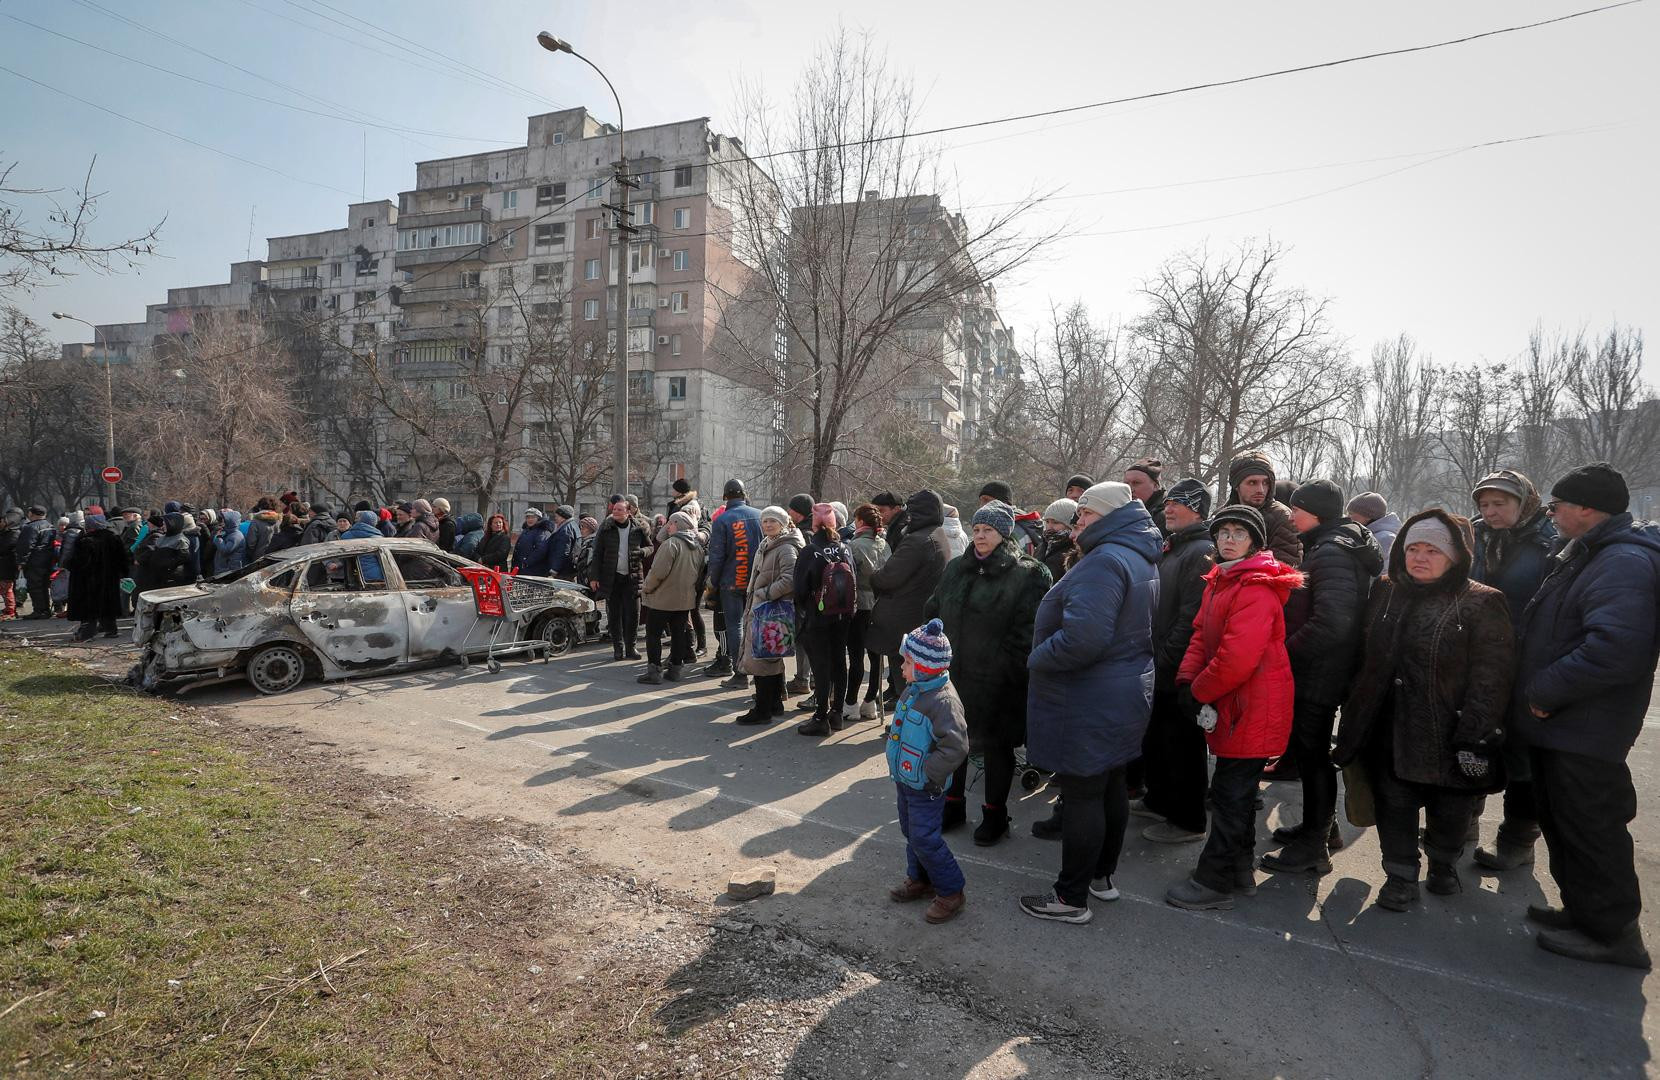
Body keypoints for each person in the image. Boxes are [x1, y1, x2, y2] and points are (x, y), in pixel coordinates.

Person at [1327, 509, 1515, 913]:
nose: (1420, 557)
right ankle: (1400, 877)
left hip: (1449, 733)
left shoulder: (1482, 601)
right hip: (1389, 727)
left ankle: (1443, 865)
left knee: (1451, 812)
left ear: (1454, 556)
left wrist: (1475, 735)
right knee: (1394, 803)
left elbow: (1492, 677)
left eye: (1432, 549)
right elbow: (1364, 655)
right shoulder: (1387, 590)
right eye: (1413, 548)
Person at [1512, 463, 1660, 968]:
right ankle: (1584, 914)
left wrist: (1544, 690)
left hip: (1584, 724)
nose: (1550, 513)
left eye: (1557, 505)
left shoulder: (1622, 563)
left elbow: (1616, 649)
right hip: (1564, 724)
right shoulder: (1590, 554)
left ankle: (1613, 934)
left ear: (1588, 509)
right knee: (1564, 820)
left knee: (1591, 826)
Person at [1020, 481, 1161, 924]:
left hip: (1089, 693)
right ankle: (1101, 878)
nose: (1078, 522)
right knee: (1109, 785)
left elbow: (1083, 640)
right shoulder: (1136, 552)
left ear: (1109, 516)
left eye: (1086, 514)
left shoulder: (1104, 561)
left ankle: (1070, 898)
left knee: (1083, 792)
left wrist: (1036, 658)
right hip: (1122, 690)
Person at [1165, 505, 1301, 910]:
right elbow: (1199, 637)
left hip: (1251, 706)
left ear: (1254, 542)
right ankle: (1240, 871)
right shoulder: (1221, 580)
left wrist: (1201, 690)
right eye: (1223, 531)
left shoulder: (1255, 588)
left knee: (1230, 796)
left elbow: (1236, 658)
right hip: (1232, 702)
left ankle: (1215, 880)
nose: (1228, 539)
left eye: (1238, 533)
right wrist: (1187, 681)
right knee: (1232, 792)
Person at [1260, 479, 1382, 874]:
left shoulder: (1331, 552)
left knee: (1313, 757)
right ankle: (1320, 829)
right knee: (1309, 753)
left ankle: (1314, 847)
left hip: (1321, 671)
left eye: (1297, 508)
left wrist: (1284, 652)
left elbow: (1332, 622)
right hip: (1322, 668)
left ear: (1318, 513)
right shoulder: (1332, 544)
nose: (1291, 514)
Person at [924, 501, 1051, 846]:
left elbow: (1029, 630)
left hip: (999, 682)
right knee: (954, 743)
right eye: (977, 529)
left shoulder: (1028, 573)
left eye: (989, 530)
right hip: (954, 676)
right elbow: (934, 608)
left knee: (996, 748)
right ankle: (953, 806)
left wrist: (1003, 668)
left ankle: (995, 816)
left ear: (1004, 533)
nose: (980, 536)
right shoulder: (956, 569)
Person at [1466, 468, 1558, 872]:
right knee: (1471, 740)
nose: (1490, 512)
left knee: (1521, 755)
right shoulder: (1474, 537)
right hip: (1476, 658)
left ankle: (1517, 841)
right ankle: (1460, 825)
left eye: (1499, 503)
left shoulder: (1550, 544)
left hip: (1525, 661)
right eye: (1484, 504)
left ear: (1525, 503)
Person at [1139, 478, 1216, 845]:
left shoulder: (1201, 550)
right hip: (1161, 661)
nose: (1167, 508)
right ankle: (1159, 800)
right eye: (1167, 501)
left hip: (1177, 667)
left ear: (1198, 508)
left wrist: (1166, 660)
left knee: (1182, 744)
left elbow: (1190, 617)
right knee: (1158, 740)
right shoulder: (1176, 547)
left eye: (1178, 503)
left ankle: (1187, 819)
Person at [886, 618, 972, 925]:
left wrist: (928, 771)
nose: (901, 667)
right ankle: (920, 878)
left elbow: (956, 746)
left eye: (906, 662)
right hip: (906, 781)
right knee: (911, 832)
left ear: (924, 666)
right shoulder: (914, 690)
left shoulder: (943, 701)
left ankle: (951, 891)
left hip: (927, 785)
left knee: (925, 837)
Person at [870, 491, 948, 718]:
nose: (907, 515)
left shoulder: (917, 540)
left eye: (911, 511)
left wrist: (873, 576)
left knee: (906, 674)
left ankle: (906, 723)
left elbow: (888, 576)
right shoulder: (936, 534)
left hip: (903, 616)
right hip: (918, 612)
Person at [734, 505, 803, 725]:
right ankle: (774, 703)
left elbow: (791, 579)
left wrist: (764, 594)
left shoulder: (786, 547)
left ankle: (762, 710)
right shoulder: (769, 543)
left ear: (783, 523)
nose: (768, 524)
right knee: (768, 657)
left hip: (772, 611)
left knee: (762, 659)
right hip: (764, 609)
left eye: (773, 521)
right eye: (765, 521)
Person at [793, 504, 858, 735]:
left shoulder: (811, 551)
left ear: (815, 524)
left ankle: (820, 717)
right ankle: (837, 714)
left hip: (818, 615)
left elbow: (799, 589)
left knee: (821, 666)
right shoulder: (845, 548)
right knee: (840, 663)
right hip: (843, 616)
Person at [705, 479, 763, 685]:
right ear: (744, 494)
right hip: (755, 581)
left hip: (731, 582)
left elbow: (717, 557)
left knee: (735, 626)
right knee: (754, 625)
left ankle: (740, 673)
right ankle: (760, 672)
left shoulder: (722, 520)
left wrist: (712, 584)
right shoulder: (759, 516)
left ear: (725, 496)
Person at [638, 510, 705, 685]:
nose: (668, 526)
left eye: (671, 523)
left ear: (678, 524)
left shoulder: (671, 545)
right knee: (678, 634)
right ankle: (675, 669)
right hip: (685, 599)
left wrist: (646, 587)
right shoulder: (697, 547)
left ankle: (654, 672)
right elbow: (698, 574)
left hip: (662, 599)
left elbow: (658, 572)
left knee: (653, 635)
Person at [845, 503, 891, 722]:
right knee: (876, 658)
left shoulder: (854, 546)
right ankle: (870, 703)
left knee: (855, 657)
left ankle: (851, 703)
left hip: (859, 606)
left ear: (861, 521)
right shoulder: (885, 544)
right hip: (881, 605)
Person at [592, 495, 651, 661]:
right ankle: (618, 648)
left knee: (633, 614)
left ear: (628, 511)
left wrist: (642, 552)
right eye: (614, 509)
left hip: (632, 578)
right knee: (614, 615)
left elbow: (650, 547)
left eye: (619, 509)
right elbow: (597, 554)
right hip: (612, 578)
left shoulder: (638, 528)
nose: (615, 512)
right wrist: (594, 577)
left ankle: (631, 648)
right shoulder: (606, 528)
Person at [1225, 452, 1302, 567]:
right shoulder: (1222, 515)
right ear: (1236, 485)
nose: (1260, 489)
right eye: (1252, 482)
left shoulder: (1282, 517)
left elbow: (1285, 570)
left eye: (1265, 482)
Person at [64, 513, 128, 640]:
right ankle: (111, 629)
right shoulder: (113, 538)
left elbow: (80, 562)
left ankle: (87, 633)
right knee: (107, 605)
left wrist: (68, 564)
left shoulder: (86, 541)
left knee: (90, 608)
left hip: (89, 580)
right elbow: (122, 559)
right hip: (110, 579)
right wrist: (122, 573)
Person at [783, 493, 818, 699]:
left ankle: (802, 679)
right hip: (815, 596)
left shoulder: (803, 534)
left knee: (803, 639)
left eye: (792, 510)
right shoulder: (814, 531)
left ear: (800, 512)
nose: (789, 513)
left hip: (804, 595)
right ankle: (810, 677)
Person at [16, 506, 56, 618]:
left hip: (34, 561)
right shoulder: (50, 526)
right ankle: (46, 610)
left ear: (31, 514)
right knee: (43, 585)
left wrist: (21, 562)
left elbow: (26, 546)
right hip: (47, 560)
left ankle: (39, 610)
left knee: (35, 587)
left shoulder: (30, 527)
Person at [1346, 492, 1400, 566]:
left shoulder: (1385, 539)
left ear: (1368, 516)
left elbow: (1383, 572)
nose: (1347, 517)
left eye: (1351, 513)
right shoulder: (1364, 535)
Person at [1037, 499, 1078, 582]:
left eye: (1055, 522)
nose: (1049, 527)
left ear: (1070, 525)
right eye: (1047, 521)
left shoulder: (1074, 551)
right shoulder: (1043, 545)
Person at [1124, 458, 1167, 537]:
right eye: (1126, 483)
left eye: (1136, 483)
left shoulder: (1167, 517)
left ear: (1155, 486)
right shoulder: (1122, 512)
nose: (1129, 489)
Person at [513, 508, 553, 576]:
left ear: (538, 519)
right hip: (522, 569)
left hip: (534, 570)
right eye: (528, 517)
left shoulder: (543, 531)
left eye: (533, 517)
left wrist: (526, 562)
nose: (530, 520)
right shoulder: (526, 530)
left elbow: (540, 550)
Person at [548, 505, 579, 580]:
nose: (555, 518)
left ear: (563, 516)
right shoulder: (573, 525)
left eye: (557, 516)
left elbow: (563, 551)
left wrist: (555, 569)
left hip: (563, 571)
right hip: (568, 568)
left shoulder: (565, 530)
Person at [0, 508, 21, 619]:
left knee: (7, 588)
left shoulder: (14, 533)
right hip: (4, 564)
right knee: (5, 588)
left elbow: (5, 547)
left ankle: (10, 611)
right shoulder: (5, 532)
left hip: (8, 565)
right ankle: (9, 609)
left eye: (1, 521)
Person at [213, 510, 248, 574]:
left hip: (229, 570)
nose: (222, 523)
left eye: (224, 521)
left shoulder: (236, 536)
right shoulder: (229, 533)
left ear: (230, 522)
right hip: (225, 568)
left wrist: (219, 538)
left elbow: (225, 550)